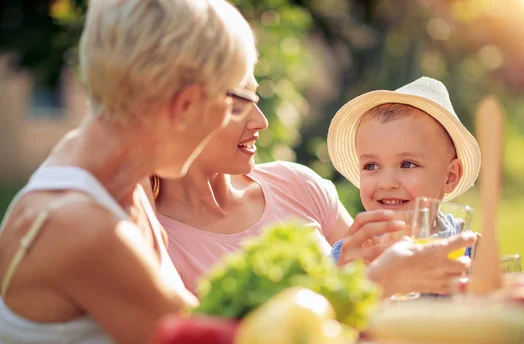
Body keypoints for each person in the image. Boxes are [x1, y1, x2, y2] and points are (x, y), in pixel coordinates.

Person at [0, 1, 257, 344]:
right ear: (186, 104)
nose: (235, 117)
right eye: (235, 102)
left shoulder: (118, 180)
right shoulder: (78, 226)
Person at [153, 76, 354, 291]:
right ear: (182, 110)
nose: (262, 121)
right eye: (238, 105)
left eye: (254, 99)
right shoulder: (157, 245)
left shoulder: (297, 185)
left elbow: (375, 292)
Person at [327, 76, 481, 295]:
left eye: (407, 164)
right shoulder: (351, 256)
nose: (387, 183)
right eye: (371, 166)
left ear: (450, 176)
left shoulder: (467, 248)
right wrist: (347, 282)